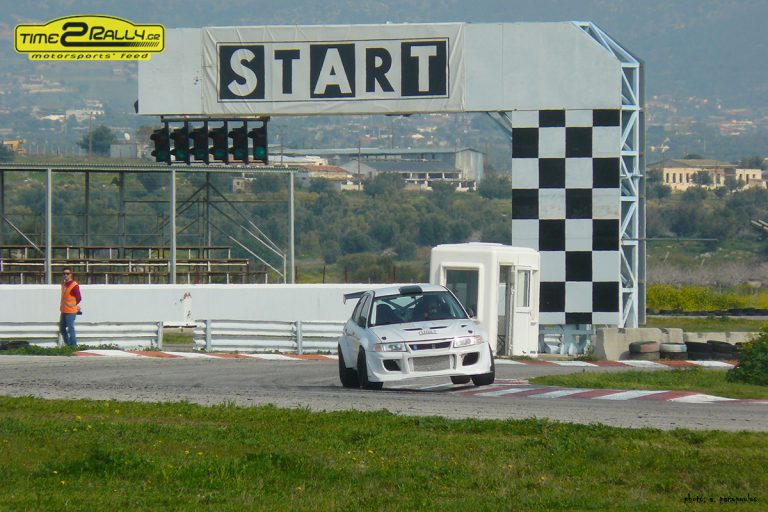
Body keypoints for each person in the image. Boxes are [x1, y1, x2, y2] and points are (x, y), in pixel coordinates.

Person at [59, 267, 82, 346]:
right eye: (64, 273)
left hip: (71, 311)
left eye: (67, 273)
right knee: (62, 329)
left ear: (71, 275)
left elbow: (79, 298)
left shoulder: (74, 285)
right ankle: (68, 344)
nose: (65, 275)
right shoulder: (64, 284)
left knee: (70, 329)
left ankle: (73, 345)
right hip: (64, 310)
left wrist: (74, 305)